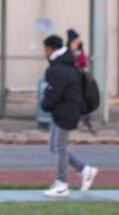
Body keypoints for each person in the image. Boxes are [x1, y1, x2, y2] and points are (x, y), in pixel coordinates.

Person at [40, 34, 99, 197]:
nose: (44, 51)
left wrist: (44, 102)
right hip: (63, 111)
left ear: (51, 48)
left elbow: (54, 94)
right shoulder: (63, 64)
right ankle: (85, 170)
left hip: (67, 113)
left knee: (59, 147)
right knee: (55, 147)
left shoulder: (59, 68)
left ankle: (62, 184)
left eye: (45, 48)